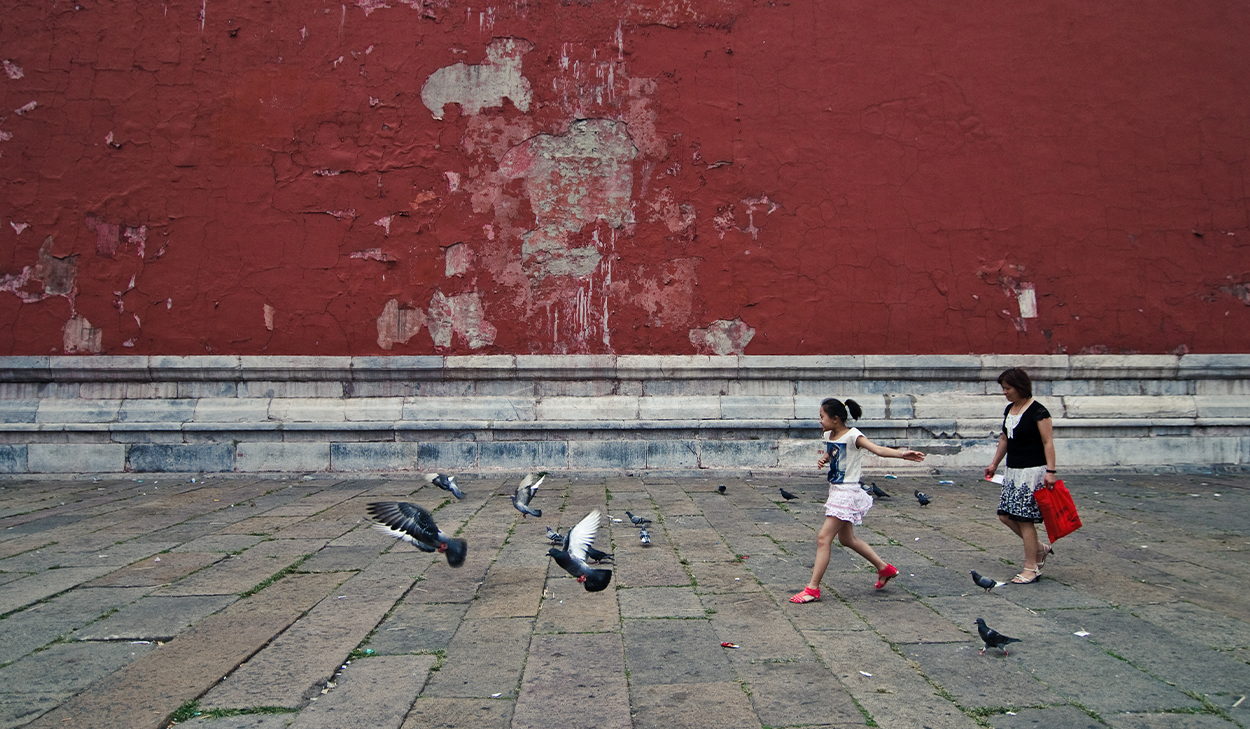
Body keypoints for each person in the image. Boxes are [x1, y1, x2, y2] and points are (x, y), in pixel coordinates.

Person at [790, 398, 926, 604]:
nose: (819, 421)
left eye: (822, 417)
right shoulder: (830, 434)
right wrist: (825, 459)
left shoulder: (854, 435)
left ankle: (813, 588)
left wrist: (902, 455)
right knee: (846, 539)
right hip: (836, 490)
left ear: (835, 419)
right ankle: (884, 568)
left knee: (823, 539)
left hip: (847, 492)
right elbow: (833, 451)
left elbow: (877, 449)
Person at [984, 367, 1057, 585]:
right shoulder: (1010, 410)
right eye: (1004, 388)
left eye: (1008, 388)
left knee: (1025, 520)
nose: (1005, 392)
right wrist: (994, 463)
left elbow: (1048, 442)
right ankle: (1040, 548)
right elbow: (1005, 439)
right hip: (1013, 470)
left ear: (1020, 387)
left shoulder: (1039, 412)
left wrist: (1051, 471)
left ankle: (1031, 568)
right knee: (1005, 515)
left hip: (1032, 472)